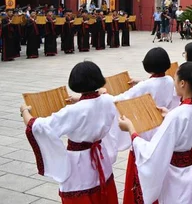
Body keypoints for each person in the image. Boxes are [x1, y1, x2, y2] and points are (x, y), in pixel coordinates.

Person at [21, 61, 122, 203]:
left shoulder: (73, 111)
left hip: (79, 162)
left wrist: (25, 112)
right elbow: (101, 99)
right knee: (102, 192)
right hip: (100, 156)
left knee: (81, 195)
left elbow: (40, 126)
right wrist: (80, 99)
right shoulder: (109, 101)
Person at [118, 61, 192, 204]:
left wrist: (131, 130)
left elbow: (153, 152)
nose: (173, 82)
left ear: (182, 83)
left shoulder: (177, 115)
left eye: (175, 78)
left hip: (178, 176)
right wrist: (170, 114)